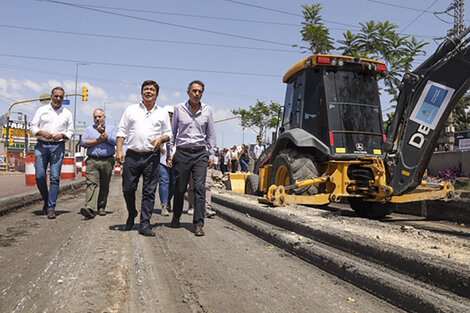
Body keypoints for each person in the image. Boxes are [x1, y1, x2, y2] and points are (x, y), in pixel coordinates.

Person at [116, 80, 171, 237]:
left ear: (157, 94)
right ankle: (132, 212)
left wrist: (161, 139)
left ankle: (145, 224)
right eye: (146, 89)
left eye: (152, 90)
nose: (148, 92)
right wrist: (119, 150)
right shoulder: (131, 110)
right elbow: (121, 131)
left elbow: (169, 133)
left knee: (149, 191)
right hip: (132, 155)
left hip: (151, 157)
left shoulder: (162, 113)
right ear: (141, 92)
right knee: (128, 188)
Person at [169, 80, 216, 236]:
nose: (197, 94)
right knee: (180, 188)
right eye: (194, 91)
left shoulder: (207, 111)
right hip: (182, 153)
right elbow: (173, 133)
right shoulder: (179, 109)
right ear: (188, 92)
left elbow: (211, 134)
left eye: (200, 91)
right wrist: (171, 152)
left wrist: (212, 154)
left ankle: (198, 224)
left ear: (202, 93)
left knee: (200, 188)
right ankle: (176, 216)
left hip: (201, 153)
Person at [30, 86, 73, 219]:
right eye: (56, 96)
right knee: (40, 176)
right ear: (51, 96)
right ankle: (47, 199)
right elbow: (33, 127)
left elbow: (70, 132)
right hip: (41, 146)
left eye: (61, 97)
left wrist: (62, 135)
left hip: (58, 147)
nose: (58, 99)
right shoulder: (41, 110)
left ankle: (51, 208)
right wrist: (41, 132)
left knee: (55, 177)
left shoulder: (67, 113)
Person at [79, 108, 117, 219]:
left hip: (107, 160)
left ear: (104, 117)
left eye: (99, 116)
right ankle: (89, 208)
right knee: (92, 183)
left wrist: (105, 136)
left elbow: (116, 141)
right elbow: (83, 142)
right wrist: (98, 140)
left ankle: (101, 207)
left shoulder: (112, 129)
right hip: (92, 160)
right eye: (95, 117)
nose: (97, 119)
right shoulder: (89, 129)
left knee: (104, 185)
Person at [158, 105, 176, 217]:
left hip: (175, 159)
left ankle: (168, 199)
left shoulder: (177, 128)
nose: (170, 116)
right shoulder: (158, 127)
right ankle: (164, 206)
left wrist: (173, 154)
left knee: (174, 183)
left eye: (171, 114)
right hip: (162, 159)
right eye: (168, 114)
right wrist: (160, 147)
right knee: (164, 181)